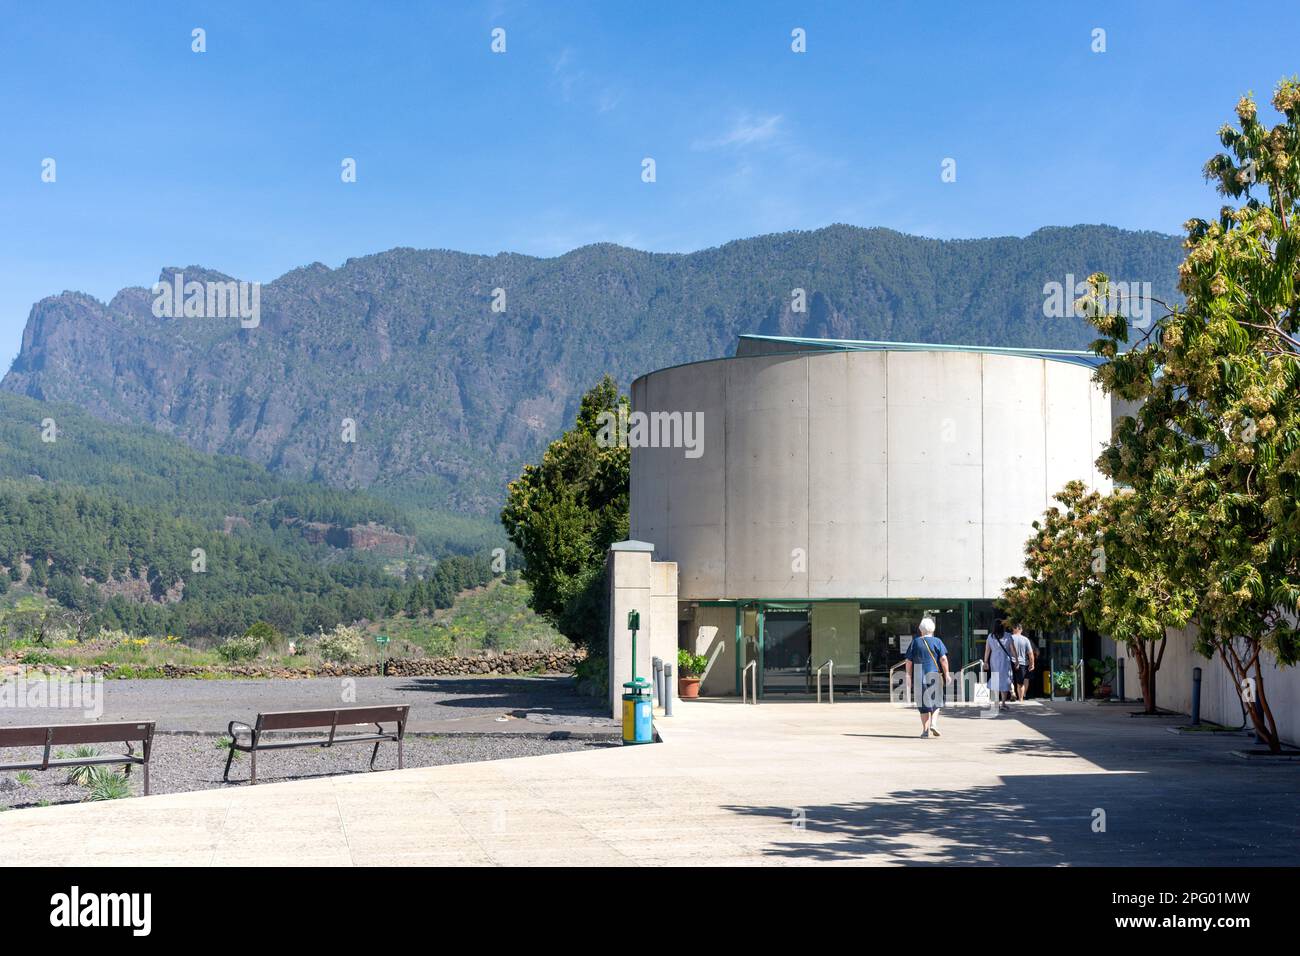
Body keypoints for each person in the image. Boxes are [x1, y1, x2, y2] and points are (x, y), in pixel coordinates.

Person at [904, 617, 950, 738]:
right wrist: (947, 674)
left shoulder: (915, 642)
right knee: (937, 701)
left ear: (920, 629)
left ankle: (925, 731)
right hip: (933, 673)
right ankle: (934, 723)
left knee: (923, 704)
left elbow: (908, 661)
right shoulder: (937, 641)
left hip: (919, 675)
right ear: (933, 629)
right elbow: (943, 659)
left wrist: (908, 676)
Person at [983, 621, 1014, 709]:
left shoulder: (990, 636)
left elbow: (987, 650)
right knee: (1005, 680)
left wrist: (986, 661)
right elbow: (1012, 649)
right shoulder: (1008, 636)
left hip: (994, 660)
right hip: (1005, 660)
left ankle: (996, 702)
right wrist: (1016, 660)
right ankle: (1003, 703)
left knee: (996, 679)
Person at [1009, 623, 1036, 701]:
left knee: (1010, 679)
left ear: (1014, 629)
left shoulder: (1009, 638)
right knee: (1020, 683)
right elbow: (1030, 654)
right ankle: (1021, 699)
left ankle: (1013, 692)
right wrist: (1032, 664)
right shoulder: (1025, 639)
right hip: (1022, 663)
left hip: (1010, 662)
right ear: (1021, 630)